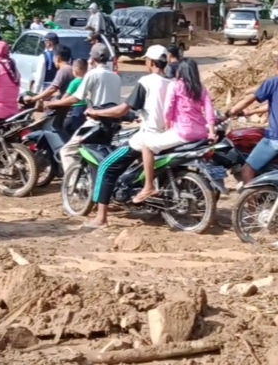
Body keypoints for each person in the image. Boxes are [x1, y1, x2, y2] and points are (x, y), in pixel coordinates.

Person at [84, 46, 173, 229]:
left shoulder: (147, 81)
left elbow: (123, 110)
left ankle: (101, 218)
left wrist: (95, 112)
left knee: (106, 166)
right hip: (168, 136)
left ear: (150, 62)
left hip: (148, 136)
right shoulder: (172, 82)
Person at [132, 59, 215, 204]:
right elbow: (209, 110)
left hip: (183, 132)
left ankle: (148, 186)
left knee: (147, 146)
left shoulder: (176, 86)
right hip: (201, 132)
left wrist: (167, 125)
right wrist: (211, 132)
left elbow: (168, 110)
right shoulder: (201, 88)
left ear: (180, 71)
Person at [229, 53, 278, 183]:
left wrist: (232, 111)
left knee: (247, 169)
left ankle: (250, 202)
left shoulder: (273, 82)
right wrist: (250, 112)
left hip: (277, 137)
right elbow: (275, 105)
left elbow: (249, 99)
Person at [59, 44, 123, 184]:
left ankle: (76, 186)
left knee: (67, 151)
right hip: (111, 123)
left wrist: (52, 104)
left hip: (94, 123)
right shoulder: (115, 76)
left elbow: (76, 98)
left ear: (92, 59)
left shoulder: (92, 74)